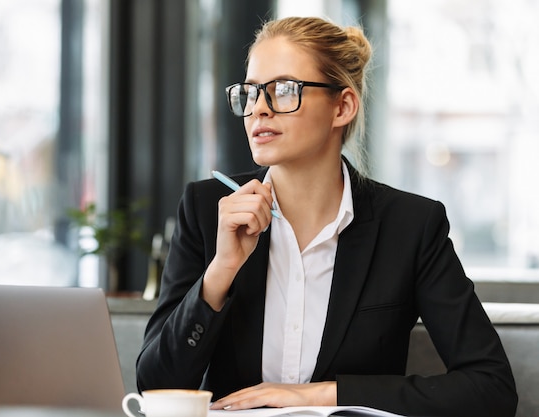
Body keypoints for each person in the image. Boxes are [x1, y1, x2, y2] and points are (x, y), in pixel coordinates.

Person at [135, 16, 517, 417]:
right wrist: (221, 271)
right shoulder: (207, 208)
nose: (259, 109)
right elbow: (155, 388)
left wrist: (321, 395)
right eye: (250, 92)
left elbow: (491, 388)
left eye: (284, 90)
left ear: (343, 106)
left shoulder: (411, 226)